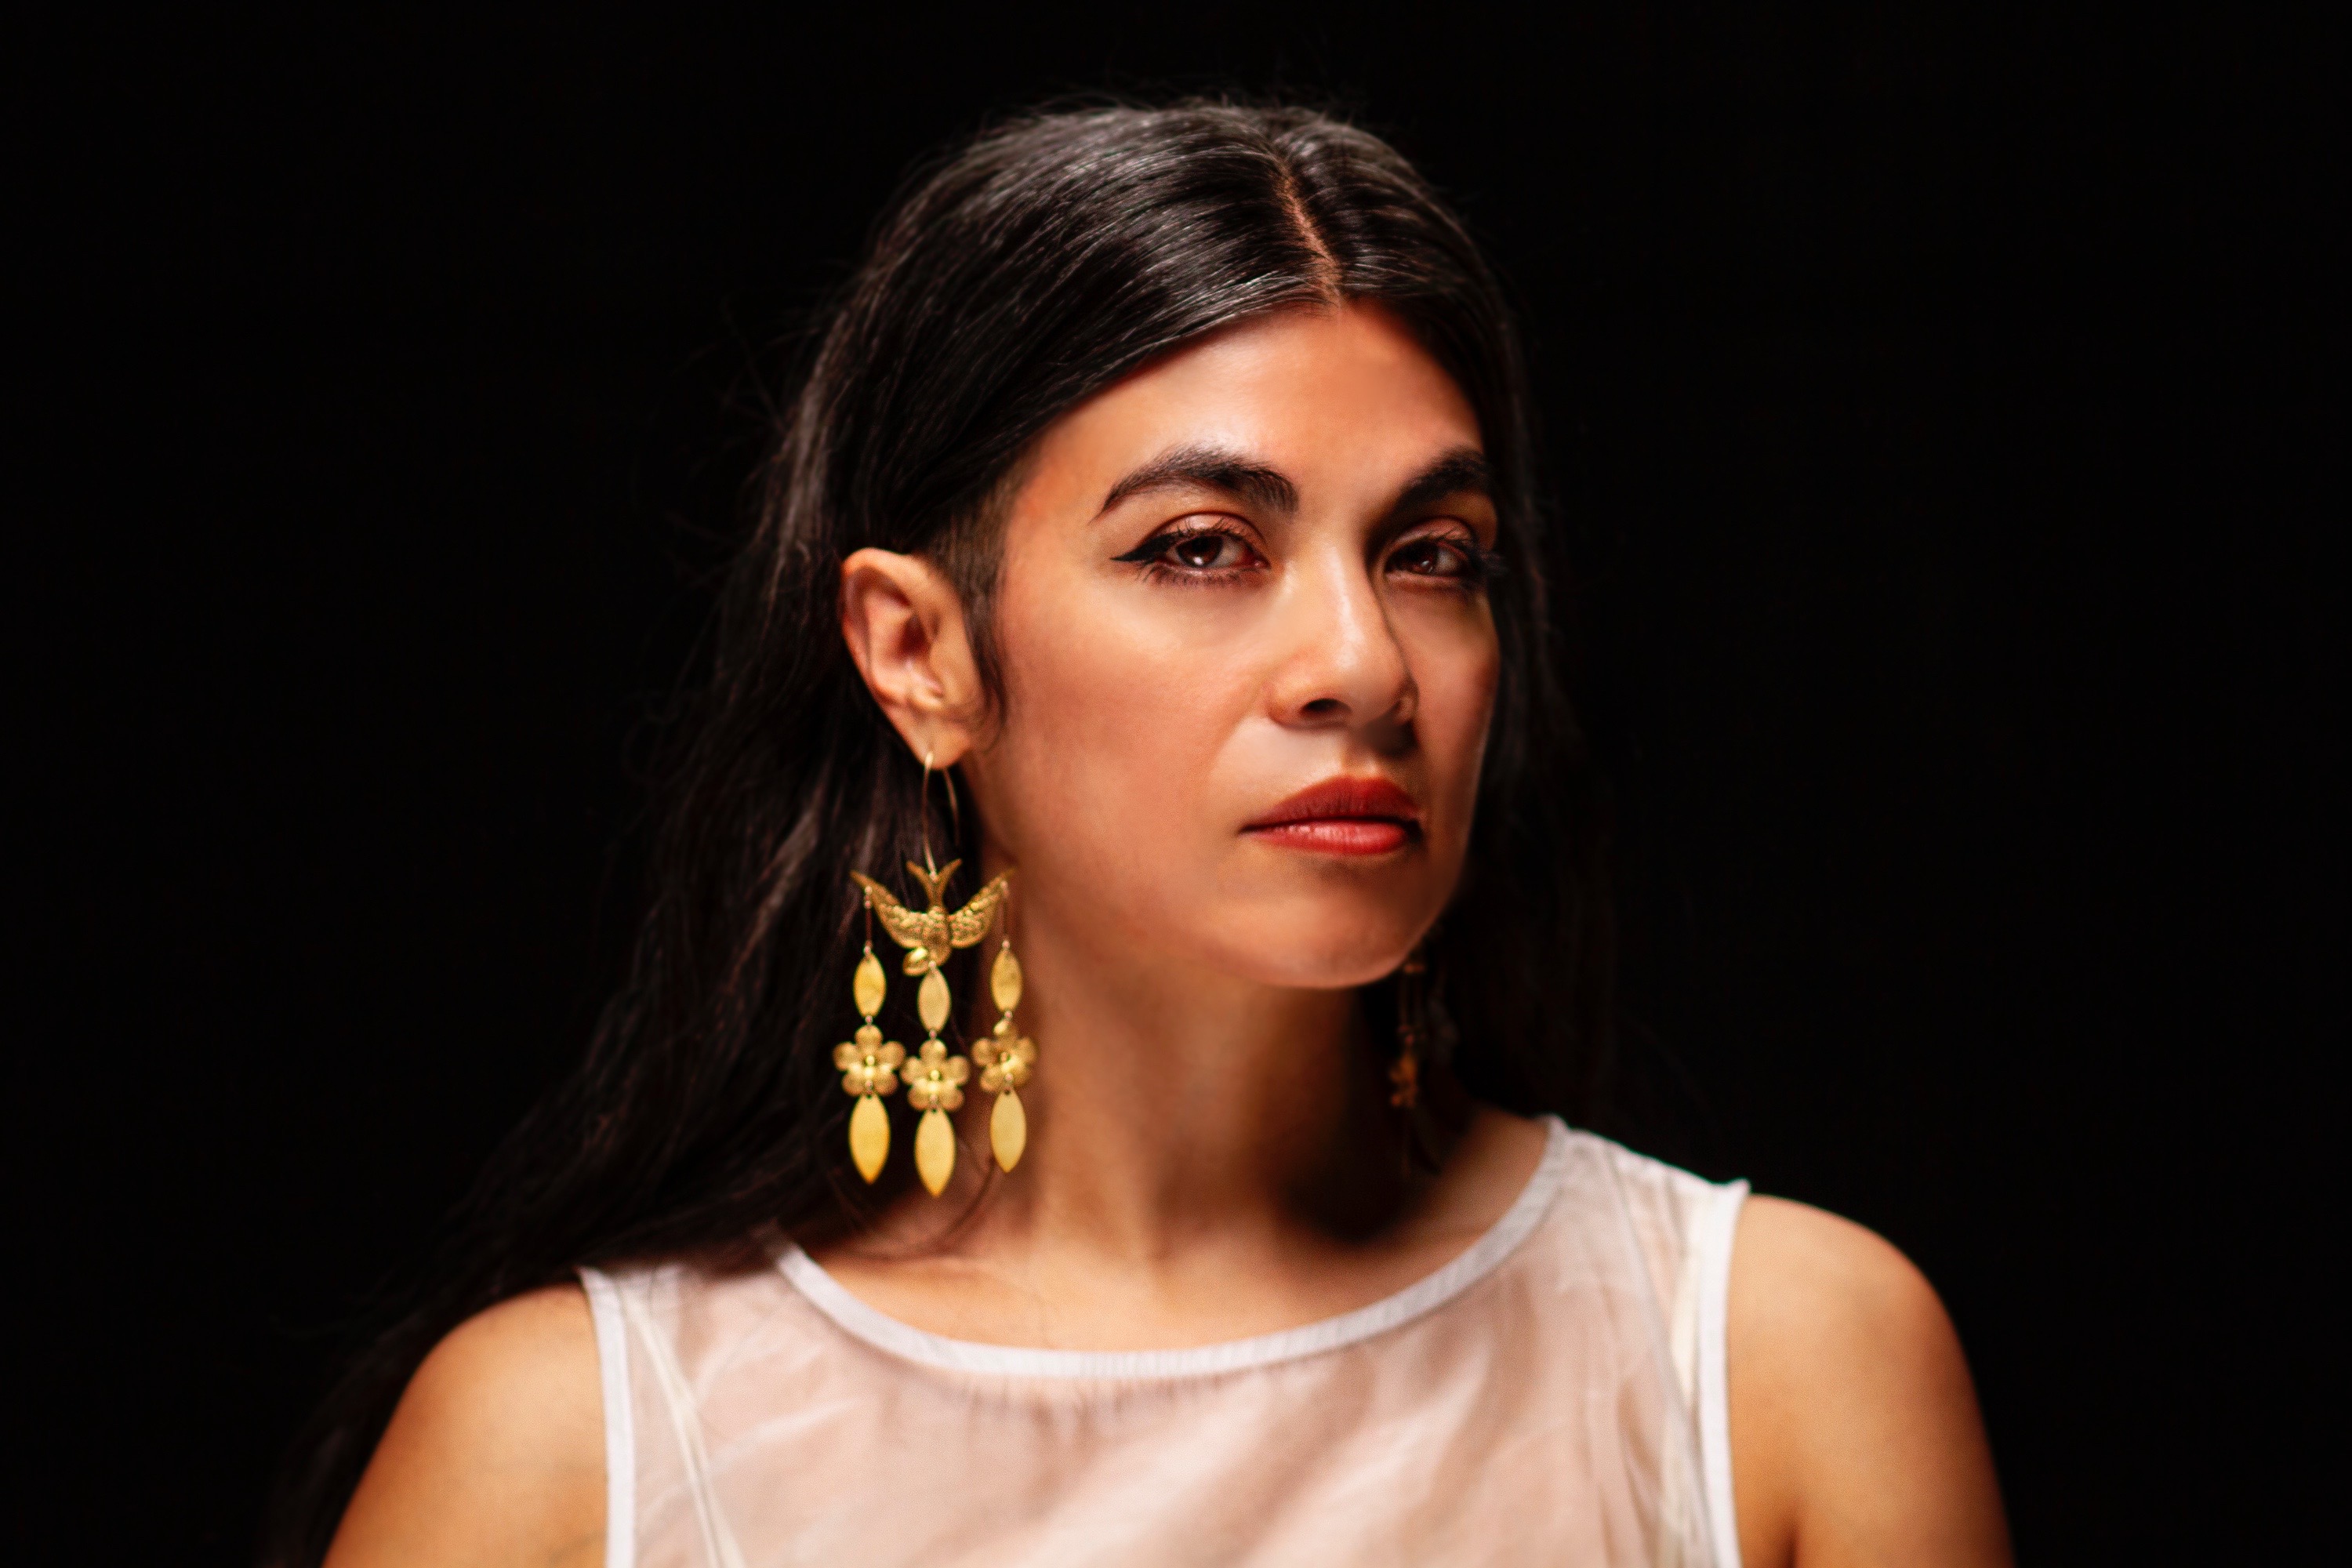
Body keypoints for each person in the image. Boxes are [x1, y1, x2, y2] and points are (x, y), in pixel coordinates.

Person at [285, 103, 2009, 1568]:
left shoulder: (1781, 1368)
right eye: (1201, 546)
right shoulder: (566, 1457)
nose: (1359, 664)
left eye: (1434, 553)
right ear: (920, 653)